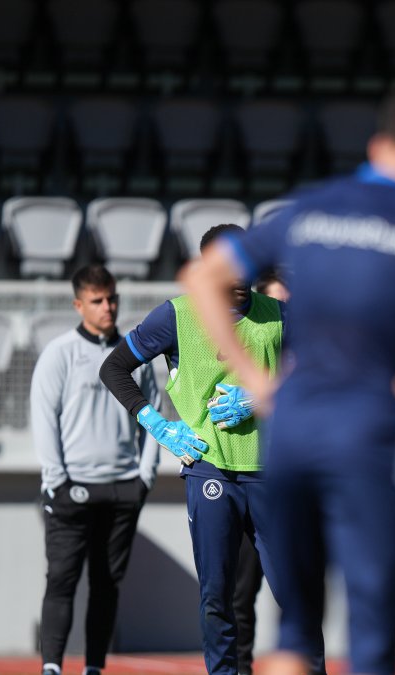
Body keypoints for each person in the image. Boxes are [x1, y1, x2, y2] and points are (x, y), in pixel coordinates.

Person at [180, 76, 395, 675]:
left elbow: (201, 280)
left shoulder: (308, 207)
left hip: (289, 431)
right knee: (370, 635)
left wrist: (260, 386)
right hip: (368, 430)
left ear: (380, 138)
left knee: (292, 635)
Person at [99, 225, 325, 675]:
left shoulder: (279, 315)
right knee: (216, 597)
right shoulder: (177, 316)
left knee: (297, 597)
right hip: (210, 470)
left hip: (271, 474)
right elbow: (115, 368)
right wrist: (158, 425)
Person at [31, 265, 162, 675]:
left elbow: (154, 419)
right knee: (63, 580)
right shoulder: (60, 353)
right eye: (98, 301)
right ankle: (52, 666)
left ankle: (94, 668)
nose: (108, 307)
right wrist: (57, 482)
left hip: (123, 488)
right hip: (73, 490)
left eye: (112, 299)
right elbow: (43, 419)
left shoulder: (135, 355)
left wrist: (144, 477)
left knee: (107, 586)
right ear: (78, 304)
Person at [233, 268, 290, 675]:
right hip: (242, 477)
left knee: (298, 595)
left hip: (289, 490)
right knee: (239, 592)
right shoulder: (242, 347)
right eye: (278, 303)